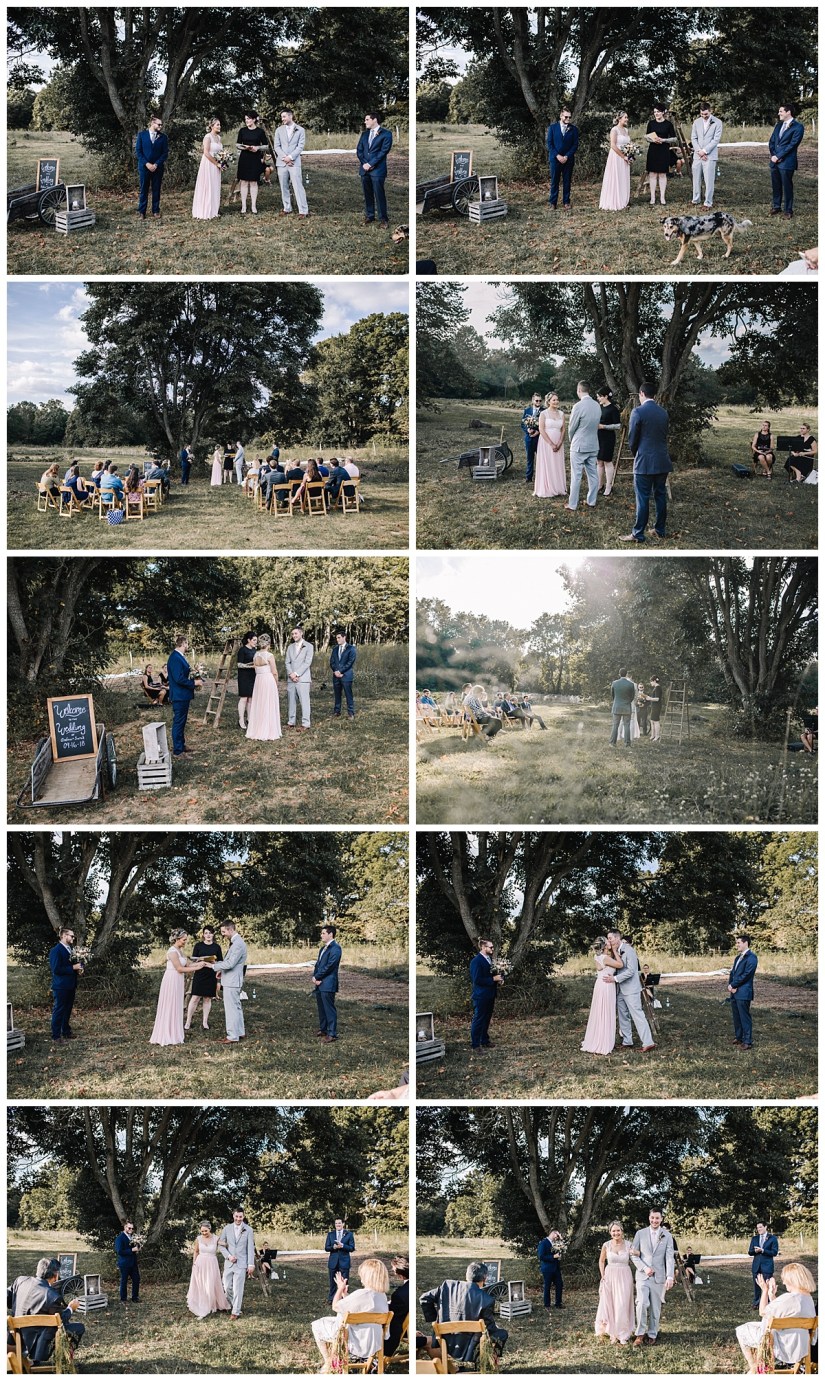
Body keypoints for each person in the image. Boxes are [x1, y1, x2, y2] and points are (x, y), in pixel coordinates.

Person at [420, 1263, 508, 1365]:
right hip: (469, 1348)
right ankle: (487, 1361)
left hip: (444, 1340)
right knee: (502, 1334)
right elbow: (490, 1329)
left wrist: (435, 1319)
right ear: (485, 1279)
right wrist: (496, 1329)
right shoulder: (487, 1300)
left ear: (467, 1275)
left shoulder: (447, 1286)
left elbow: (424, 1298)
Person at [736, 1262, 816, 1373]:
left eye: (785, 1279)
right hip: (801, 1346)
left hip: (780, 1345)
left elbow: (762, 1312)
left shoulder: (789, 1298)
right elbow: (783, 1314)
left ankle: (754, 1367)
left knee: (741, 1330)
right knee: (753, 1325)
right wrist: (772, 1296)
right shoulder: (808, 1300)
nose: (783, 1282)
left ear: (792, 1280)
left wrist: (764, 1291)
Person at [311, 1259, 390, 1372]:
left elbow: (335, 1306)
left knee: (317, 1325)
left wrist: (340, 1289)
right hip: (373, 1341)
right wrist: (345, 1294)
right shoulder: (381, 1296)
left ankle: (329, 1362)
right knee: (329, 1320)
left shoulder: (361, 1294)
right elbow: (360, 1306)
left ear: (367, 1277)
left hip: (353, 1340)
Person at [620, 381, 672, 543]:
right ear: (654, 395)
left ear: (641, 394)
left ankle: (638, 534)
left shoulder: (638, 411)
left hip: (644, 461)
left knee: (642, 498)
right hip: (662, 460)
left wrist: (637, 453)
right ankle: (660, 529)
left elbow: (632, 438)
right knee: (660, 495)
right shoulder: (663, 412)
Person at [10, 1258, 85, 1365]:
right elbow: (61, 1321)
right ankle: (65, 1360)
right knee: (79, 1328)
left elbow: (7, 1297)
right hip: (38, 1346)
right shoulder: (52, 1296)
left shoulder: (20, 1281)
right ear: (56, 1276)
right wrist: (70, 1308)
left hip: (16, 1339)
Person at [149, 929, 204, 1046]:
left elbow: (188, 964)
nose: (185, 942)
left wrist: (201, 963)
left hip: (178, 980)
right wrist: (197, 968)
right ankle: (166, 1033)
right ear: (177, 939)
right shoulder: (172, 951)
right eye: (184, 940)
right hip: (171, 980)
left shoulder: (180, 951)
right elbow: (179, 968)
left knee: (176, 1004)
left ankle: (175, 1032)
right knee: (170, 1004)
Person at [606, 927, 654, 1051]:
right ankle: (627, 1041)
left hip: (631, 989)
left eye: (610, 938)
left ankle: (648, 1042)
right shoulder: (615, 951)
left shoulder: (629, 950)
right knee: (623, 1016)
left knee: (637, 1015)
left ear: (617, 938)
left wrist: (615, 979)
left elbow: (631, 971)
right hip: (620, 989)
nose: (609, 941)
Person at [631, 1209, 675, 1347]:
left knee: (656, 1308)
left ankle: (652, 1334)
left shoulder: (667, 1236)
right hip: (643, 1276)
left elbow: (669, 1257)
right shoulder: (640, 1233)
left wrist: (670, 1276)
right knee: (642, 1303)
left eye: (657, 1218)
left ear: (661, 1219)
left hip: (659, 1277)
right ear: (649, 1217)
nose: (654, 1220)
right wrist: (644, 1268)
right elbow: (633, 1254)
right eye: (652, 1217)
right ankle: (640, 1334)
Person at [580, 935, 623, 1055]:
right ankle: (603, 1041)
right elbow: (620, 965)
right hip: (607, 986)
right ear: (604, 946)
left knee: (599, 1011)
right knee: (606, 1011)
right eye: (608, 942)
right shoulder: (605, 958)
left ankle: (598, 1037)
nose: (610, 942)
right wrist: (615, 950)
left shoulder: (597, 956)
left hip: (600, 984)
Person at [595, 1221, 635, 1345]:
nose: (616, 1233)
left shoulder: (629, 1244)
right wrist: (603, 1276)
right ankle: (612, 1331)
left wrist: (637, 1253)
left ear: (622, 1231)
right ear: (610, 1232)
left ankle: (622, 1333)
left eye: (618, 1230)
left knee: (622, 1304)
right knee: (610, 1303)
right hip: (610, 1275)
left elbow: (637, 1257)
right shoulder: (606, 1245)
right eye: (613, 1231)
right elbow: (601, 1261)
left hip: (624, 1275)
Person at [566, 380, 602, 512]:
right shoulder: (597, 405)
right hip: (593, 445)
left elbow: (572, 427)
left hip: (579, 445)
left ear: (579, 390)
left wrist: (572, 440)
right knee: (593, 475)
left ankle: (572, 504)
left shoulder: (578, 406)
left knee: (576, 476)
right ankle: (591, 501)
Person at [167, 634, 202, 760]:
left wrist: (195, 674)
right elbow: (178, 678)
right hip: (179, 695)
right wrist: (194, 683)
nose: (188, 646)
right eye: (187, 643)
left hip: (183, 695)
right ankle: (178, 751)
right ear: (183, 643)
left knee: (181, 722)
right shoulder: (175, 658)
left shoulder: (179, 656)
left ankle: (181, 745)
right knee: (178, 722)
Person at [213, 921, 249, 1044]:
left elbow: (230, 963)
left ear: (230, 929)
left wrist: (214, 966)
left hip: (232, 981)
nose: (223, 934)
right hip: (232, 979)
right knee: (236, 1007)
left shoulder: (238, 944)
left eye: (224, 932)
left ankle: (232, 1036)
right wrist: (221, 971)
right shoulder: (236, 942)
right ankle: (240, 1031)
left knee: (231, 1009)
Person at [218, 1209, 256, 1320]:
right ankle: (232, 1305)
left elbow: (250, 1248)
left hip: (241, 1263)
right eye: (236, 1216)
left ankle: (235, 1311)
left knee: (238, 1288)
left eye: (240, 1217)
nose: (238, 1219)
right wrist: (229, 1256)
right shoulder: (227, 1228)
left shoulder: (248, 1230)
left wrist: (250, 1264)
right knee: (227, 1287)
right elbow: (220, 1245)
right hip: (229, 1263)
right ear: (233, 1216)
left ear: (243, 1217)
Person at [187, 1220, 230, 1319]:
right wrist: (194, 1263)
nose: (204, 1233)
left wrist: (229, 1243)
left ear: (210, 1229)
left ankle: (213, 1303)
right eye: (202, 1231)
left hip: (211, 1263)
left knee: (211, 1282)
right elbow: (196, 1251)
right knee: (202, 1283)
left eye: (206, 1231)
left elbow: (225, 1244)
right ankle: (203, 1304)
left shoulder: (216, 1238)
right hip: (200, 1263)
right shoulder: (198, 1239)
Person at [357, 112, 392, 228]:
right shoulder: (364, 134)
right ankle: (370, 215)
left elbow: (384, 151)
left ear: (374, 120)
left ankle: (383, 219)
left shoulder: (386, 134)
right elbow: (359, 150)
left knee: (379, 194)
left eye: (367, 119)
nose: (365, 122)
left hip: (378, 170)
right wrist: (365, 164)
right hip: (364, 169)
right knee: (367, 193)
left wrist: (371, 164)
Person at [769, 103, 804, 219]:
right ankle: (776, 206)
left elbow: (792, 145)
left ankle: (788, 210)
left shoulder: (798, 127)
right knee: (776, 185)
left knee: (787, 186)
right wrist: (773, 155)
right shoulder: (778, 125)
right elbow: (772, 141)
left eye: (781, 111)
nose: (778, 113)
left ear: (788, 112)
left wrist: (779, 156)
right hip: (774, 161)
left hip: (787, 162)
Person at [49, 926, 84, 1042]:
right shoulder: (56, 950)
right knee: (59, 1010)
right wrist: (73, 968)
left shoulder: (71, 949)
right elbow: (56, 969)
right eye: (72, 936)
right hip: (61, 986)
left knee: (68, 1009)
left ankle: (66, 1032)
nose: (73, 938)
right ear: (64, 936)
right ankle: (56, 1036)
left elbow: (74, 964)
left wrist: (79, 969)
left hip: (71, 984)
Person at [185, 925, 223, 1031]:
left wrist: (214, 962)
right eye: (206, 933)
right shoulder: (198, 946)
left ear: (213, 934)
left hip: (211, 975)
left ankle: (205, 1022)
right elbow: (193, 961)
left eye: (210, 933)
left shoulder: (217, 947)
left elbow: (221, 962)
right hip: (200, 973)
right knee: (195, 998)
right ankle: (188, 1021)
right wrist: (199, 960)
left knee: (207, 998)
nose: (208, 935)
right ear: (203, 935)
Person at [246, 633, 282, 741]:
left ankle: (257, 728)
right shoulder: (269, 655)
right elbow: (274, 672)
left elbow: (255, 668)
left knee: (259, 703)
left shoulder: (255, 655)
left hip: (259, 680)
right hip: (267, 680)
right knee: (268, 703)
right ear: (269, 644)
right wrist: (276, 683)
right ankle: (268, 730)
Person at [469, 937, 503, 1052]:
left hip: (490, 994)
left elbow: (494, 974)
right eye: (491, 947)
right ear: (483, 947)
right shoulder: (476, 961)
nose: (493, 949)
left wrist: (499, 979)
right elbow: (477, 980)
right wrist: (493, 979)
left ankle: (484, 1040)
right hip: (481, 995)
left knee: (487, 1019)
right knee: (479, 1019)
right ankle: (475, 1044)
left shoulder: (490, 959)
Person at [274, 107, 309, 216]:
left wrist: (290, 157)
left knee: (298, 186)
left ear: (290, 116)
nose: (282, 119)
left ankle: (303, 210)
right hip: (282, 163)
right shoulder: (278, 130)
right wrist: (285, 158)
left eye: (284, 117)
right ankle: (287, 208)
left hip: (294, 163)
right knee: (283, 186)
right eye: (281, 117)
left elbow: (300, 146)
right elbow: (276, 146)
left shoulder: (300, 130)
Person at [728, 933, 758, 1051]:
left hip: (744, 992)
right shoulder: (737, 958)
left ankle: (747, 1041)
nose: (737, 945)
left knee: (744, 1017)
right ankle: (739, 1037)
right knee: (736, 1016)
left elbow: (747, 975)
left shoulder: (752, 957)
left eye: (738, 943)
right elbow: (733, 973)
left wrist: (734, 985)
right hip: (734, 991)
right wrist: (731, 986)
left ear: (745, 943)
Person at [690, 101, 723, 208]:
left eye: (706, 114)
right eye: (702, 114)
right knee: (696, 179)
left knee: (709, 180)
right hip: (697, 155)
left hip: (710, 155)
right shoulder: (696, 122)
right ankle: (696, 199)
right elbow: (693, 138)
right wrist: (699, 151)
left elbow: (716, 139)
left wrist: (704, 151)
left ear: (710, 111)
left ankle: (708, 202)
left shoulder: (717, 122)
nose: (704, 116)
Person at [535, 392, 567, 498]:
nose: (556, 401)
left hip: (558, 441)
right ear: (548, 401)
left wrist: (560, 442)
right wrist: (551, 444)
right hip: (546, 443)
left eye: (557, 399)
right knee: (548, 463)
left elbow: (563, 429)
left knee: (557, 464)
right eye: (554, 400)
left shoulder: (561, 414)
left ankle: (558, 487)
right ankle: (547, 487)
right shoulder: (543, 414)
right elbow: (541, 429)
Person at [314, 923, 342, 1044]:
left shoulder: (336, 948)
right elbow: (318, 964)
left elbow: (330, 966)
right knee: (321, 1007)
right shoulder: (323, 948)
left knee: (329, 1008)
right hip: (319, 982)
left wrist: (318, 976)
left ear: (331, 934)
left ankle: (332, 1034)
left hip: (328, 983)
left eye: (323, 933)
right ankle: (323, 1029)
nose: (321, 935)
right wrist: (315, 977)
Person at [136, 115, 168, 220]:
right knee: (143, 189)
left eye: (161, 125)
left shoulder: (163, 137)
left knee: (156, 189)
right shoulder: (142, 135)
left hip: (157, 168)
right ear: (152, 123)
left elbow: (165, 153)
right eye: (159, 124)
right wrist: (147, 164)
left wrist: (156, 164)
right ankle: (142, 212)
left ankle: (155, 211)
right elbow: (138, 152)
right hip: (144, 167)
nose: (160, 126)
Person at [546, 107, 579, 210]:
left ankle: (566, 202)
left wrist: (566, 156)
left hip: (568, 160)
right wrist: (557, 155)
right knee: (554, 181)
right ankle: (553, 202)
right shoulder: (552, 128)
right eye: (566, 117)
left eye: (569, 117)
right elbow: (550, 144)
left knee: (567, 181)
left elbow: (575, 145)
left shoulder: (574, 129)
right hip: (555, 159)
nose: (568, 119)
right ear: (561, 116)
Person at [236, 110, 267, 215]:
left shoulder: (260, 132)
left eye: (248, 119)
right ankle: (244, 206)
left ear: (254, 119)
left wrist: (257, 148)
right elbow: (237, 144)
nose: (246, 121)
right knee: (244, 182)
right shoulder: (242, 131)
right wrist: (245, 147)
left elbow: (266, 146)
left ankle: (253, 206)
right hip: (244, 158)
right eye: (245, 119)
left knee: (253, 182)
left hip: (255, 158)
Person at [599, 111, 632, 211]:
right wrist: (623, 156)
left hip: (625, 156)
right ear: (619, 119)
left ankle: (623, 199)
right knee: (616, 177)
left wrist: (630, 155)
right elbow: (613, 145)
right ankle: (615, 200)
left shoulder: (626, 130)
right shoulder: (614, 130)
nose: (627, 119)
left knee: (623, 177)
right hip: (616, 156)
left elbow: (629, 144)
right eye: (625, 117)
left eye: (627, 117)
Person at [644, 105, 676, 206]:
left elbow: (674, 138)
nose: (656, 114)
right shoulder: (651, 123)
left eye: (658, 112)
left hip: (664, 150)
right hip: (653, 150)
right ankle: (653, 197)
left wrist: (664, 140)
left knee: (662, 174)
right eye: (655, 112)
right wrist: (653, 140)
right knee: (652, 174)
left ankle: (662, 197)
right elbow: (646, 136)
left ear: (663, 112)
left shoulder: (668, 124)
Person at [192, 118, 224, 220]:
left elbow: (221, 152)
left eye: (220, 124)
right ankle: (205, 210)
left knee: (215, 185)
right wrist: (216, 163)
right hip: (209, 164)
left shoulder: (219, 137)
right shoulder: (207, 137)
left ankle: (214, 210)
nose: (219, 126)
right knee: (208, 185)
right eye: (217, 125)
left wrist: (222, 162)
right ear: (212, 126)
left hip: (217, 164)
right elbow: (206, 152)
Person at [285, 625, 313, 729]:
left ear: (301, 633)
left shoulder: (309, 646)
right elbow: (287, 662)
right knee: (291, 701)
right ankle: (291, 722)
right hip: (291, 679)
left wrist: (296, 674)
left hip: (303, 678)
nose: (294, 635)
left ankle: (305, 723)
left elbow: (307, 662)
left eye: (296, 633)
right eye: (292, 634)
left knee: (304, 701)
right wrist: (291, 674)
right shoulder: (290, 647)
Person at [596, 387, 621, 495]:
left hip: (608, 438)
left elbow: (618, 425)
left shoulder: (613, 409)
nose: (598, 399)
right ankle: (599, 484)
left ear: (606, 396)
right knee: (599, 461)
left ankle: (608, 486)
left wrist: (604, 426)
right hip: (598, 437)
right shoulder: (599, 407)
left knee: (607, 461)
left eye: (600, 396)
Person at [748, 1222, 779, 1307]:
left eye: (760, 1227)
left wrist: (763, 1250)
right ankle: (757, 1303)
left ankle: (768, 1303)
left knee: (768, 1285)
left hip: (767, 1266)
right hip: (756, 1266)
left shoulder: (773, 1238)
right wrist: (755, 1251)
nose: (759, 1229)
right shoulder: (754, 1238)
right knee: (756, 1285)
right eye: (757, 1228)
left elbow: (774, 1252)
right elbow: (750, 1252)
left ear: (765, 1227)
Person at [324, 1219, 356, 1301]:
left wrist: (343, 1246)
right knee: (332, 1282)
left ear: (343, 1224)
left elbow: (352, 1248)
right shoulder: (330, 1234)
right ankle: (332, 1299)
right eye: (336, 1223)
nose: (338, 1225)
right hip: (333, 1262)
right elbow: (326, 1248)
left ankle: (344, 1299)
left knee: (344, 1282)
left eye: (339, 1223)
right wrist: (333, 1247)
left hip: (344, 1262)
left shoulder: (349, 1234)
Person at [385, 1256, 410, 1359]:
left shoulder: (399, 1295)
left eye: (394, 1270)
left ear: (400, 1275)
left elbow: (393, 1316)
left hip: (394, 1332)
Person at [330, 629, 356, 720]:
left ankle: (351, 713)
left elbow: (350, 662)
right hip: (336, 676)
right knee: (337, 694)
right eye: (336, 638)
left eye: (339, 638)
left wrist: (340, 671)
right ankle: (337, 711)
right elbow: (332, 662)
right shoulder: (335, 649)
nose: (337, 639)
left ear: (344, 637)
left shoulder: (351, 648)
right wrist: (336, 671)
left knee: (348, 694)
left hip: (346, 675)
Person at [114, 1221, 141, 1305]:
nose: (131, 1230)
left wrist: (137, 1248)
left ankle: (135, 1297)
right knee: (124, 1281)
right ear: (125, 1227)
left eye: (132, 1228)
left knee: (136, 1279)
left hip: (133, 1263)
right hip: (124, 1263)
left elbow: (134, 1248)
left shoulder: (132, 1237)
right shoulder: (120, 1238)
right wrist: (132, 1250)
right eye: (129, 1228)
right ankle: (123, 1299)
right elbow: (119, 1251)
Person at [236, 630, 257, 731]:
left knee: (251, 699)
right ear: (249, 640)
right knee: (244, 698)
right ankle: (241, 720)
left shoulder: (255, 650)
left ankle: (249, 718)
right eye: (254, 640)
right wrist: (250, 666)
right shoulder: (242, 650)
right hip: (244, 676)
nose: (255, 642)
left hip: (253, 676)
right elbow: (239, 664)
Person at [537, 1231, 564, 1310]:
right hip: (547, 1268)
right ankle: (547, 1305)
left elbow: (563, 1248)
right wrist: (553, 1257)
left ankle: (558, 1303)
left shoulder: (556, 1243)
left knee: (559, 1285)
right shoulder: (543, 1243)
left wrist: (561, 1239)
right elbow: (541, 1256)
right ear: (553, 1233)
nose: (557, 1238)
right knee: (547, 1286)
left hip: (556, 1268)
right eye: (557, 1235)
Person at [609, 670, 636, 748]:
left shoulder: (614, 683)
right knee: (627, 725)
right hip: (626, 706)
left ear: (619, 674)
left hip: (617, 706)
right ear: (626, 674)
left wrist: (617, 701)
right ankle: (627, 744)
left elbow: (613, 695)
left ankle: (612, 743)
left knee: (615, 725)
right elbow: (632, 696)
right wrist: (627, 702)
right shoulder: (631, 684)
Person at [521, 393, 543, 483]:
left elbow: (545, 424)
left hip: (539, 438)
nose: (538, 402)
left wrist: (538, 431)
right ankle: (529, 477)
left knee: (541, 458)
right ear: (532, 401)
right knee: (529, 458)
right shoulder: (527, 410)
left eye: (540, 401)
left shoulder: (544, 411)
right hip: (529, 438)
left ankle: (541, 477)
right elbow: (522, 423)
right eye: (537, 400)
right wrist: (528, 430)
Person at [647, 676, 662, 743]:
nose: (650, 683)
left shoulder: (658, 688)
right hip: (654, 706)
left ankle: (657, 735)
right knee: (652, 720)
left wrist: (649, 698)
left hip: (657, 706)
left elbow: (657, 699)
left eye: (651, 681)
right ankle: (653, 735)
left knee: (656, 721)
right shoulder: (655, 688)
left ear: (654, 681)